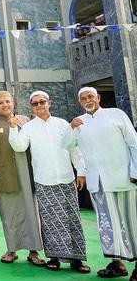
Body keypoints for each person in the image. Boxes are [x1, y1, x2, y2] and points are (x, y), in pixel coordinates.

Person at [8, 90, 90, 273]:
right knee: (50, 221)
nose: (39, 106)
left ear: (49, 103)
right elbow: (19, 146)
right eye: (35, 104)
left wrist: (81, 172)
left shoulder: (62, 124)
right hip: (44, 180)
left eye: (42, 102)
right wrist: (13, 128)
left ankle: (77, 260)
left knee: (72, 219)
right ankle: (53, 257)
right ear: (31, 107)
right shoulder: (28, 127)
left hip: (66, 178)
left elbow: (73, 149)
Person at [69, 87, 137, 279]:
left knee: (132, 221)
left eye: (91, 96)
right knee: (107, 224)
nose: (88, 100)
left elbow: (134, 143)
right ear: (80, 102)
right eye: (83, 98)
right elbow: (67, 146)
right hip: (98, 183)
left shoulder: (116, 114)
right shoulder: (78, 122)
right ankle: (117, 264)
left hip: (123, 178)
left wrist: (135, 171)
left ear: (98, 98)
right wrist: (71, 127)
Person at [0, 90, 45, 265]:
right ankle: (12, 250)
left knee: (31, 212)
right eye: (0, 103)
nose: (5, 105)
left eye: (7, 101)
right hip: (5, 174)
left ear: (13, 103)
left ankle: (33, 251)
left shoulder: (26, 121)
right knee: (9, 215)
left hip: (26, 172)